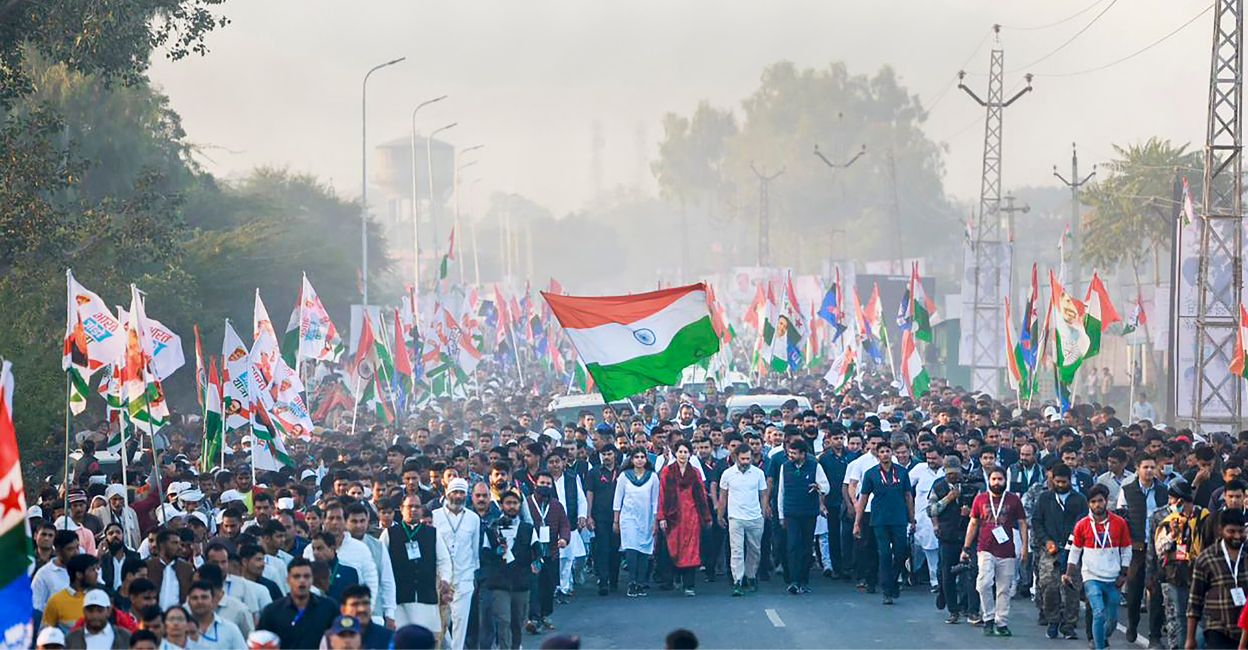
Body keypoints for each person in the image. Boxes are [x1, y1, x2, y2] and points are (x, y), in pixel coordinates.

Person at [961, 465, 1028, 637]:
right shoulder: (980, 499)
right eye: (994, 479)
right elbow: (973, 523)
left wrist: (1025, 548)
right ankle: (988, 617)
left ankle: (1001, 622)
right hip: (985, 548)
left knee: (1004, 589)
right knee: (983, 584)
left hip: (1007, 550)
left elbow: (1022, 524)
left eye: (1000, 479)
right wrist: (966, 548)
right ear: (988, 481)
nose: (997, 482)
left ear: (1005, 481)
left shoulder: (1013, 500)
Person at [1065, 484, 1133, 650]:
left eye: (1100, 501)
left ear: (1106, 501)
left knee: (1112, 620)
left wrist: (1123, 574)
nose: (1097, 505)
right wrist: (1068, 573)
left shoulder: (1119, 523)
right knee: (1098, 612)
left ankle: (1100, 638)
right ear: (1089, 504)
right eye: (1093, 502)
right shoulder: (1082, 524)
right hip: (1091, 577)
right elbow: (1075, 551)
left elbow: (1126, 549)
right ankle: (1099, 646)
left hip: (1113, 578)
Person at [377, 497, 451, 633]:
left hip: (426, 596)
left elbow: (444, 560)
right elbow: (380, 564)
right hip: (400, 598)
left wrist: (445, 579)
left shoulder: (433, 533)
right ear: (401, 509)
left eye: (417, 507)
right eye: (410, 506)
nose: (413, 510)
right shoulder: (389, 534)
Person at [1117, 452, 1168, 644]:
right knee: (1134, 590)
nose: (1149, 471)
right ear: (1137, 469)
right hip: (1136, 548)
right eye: (1145, 467)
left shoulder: (1163, 490)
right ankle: (1132, 624)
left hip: (1157, 547)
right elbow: (1122, 517)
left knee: (1155, 591)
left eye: (1152, 467)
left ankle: (1155, 636)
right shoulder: (1127, 489)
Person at [854, 439, 912, 604]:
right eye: (882, 452)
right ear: (877, 455)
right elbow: (863, 498)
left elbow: (908, 496)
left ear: (891, 453)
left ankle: (893, 580)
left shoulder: (901, 472)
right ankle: (887, 590)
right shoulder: (871, 473)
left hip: (899, 518)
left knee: (901, 551)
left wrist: (911, 517)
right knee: (885, 553)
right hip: (879, 519)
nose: (885, 454)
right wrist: (857, 523)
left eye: (888, 451)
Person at [1033, 462, 1087, 640]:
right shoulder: (1044, 498)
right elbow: (1037, 522)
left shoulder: (1079, 500)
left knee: (1071, 587)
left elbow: (1083, 523)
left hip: (1073, 550)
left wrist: (1074, 541)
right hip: (1050, 550)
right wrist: (1047, 541)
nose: (1061, 485)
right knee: (1048, 586)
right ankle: (1052, 620)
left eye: (1064, 482)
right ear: (1052, 480)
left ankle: (1069, 624)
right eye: (1058, 481)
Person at [1154, 480, 1206, 650]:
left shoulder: (1204, 518)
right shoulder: (1168, 521)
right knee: (1180, 617)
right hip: (1176, 575)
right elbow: (1160, 550)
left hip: (1200, 575)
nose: (1171, 504)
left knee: (1200, 618)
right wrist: (1173, 535)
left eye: (1172, 500)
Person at [484, 490, 539, 650]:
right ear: (501, 505)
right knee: (504, 620)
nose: (512, 507)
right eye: (508, 503)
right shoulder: (492, 528)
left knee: (517, 622)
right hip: (499, 583)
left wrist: (537, 563)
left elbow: (537, 550)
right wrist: (497, 553)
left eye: (515, 503)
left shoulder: (528, 529)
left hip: (521, 583)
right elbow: (485, 554)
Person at [657, 441, 712, 596]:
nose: (683, 455)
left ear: (690, 454)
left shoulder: (695, 472)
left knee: (691, 550)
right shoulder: (668, 472)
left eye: (685, 452)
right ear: (676, 453)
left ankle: (689, 585)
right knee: (673, 548)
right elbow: (661, 495)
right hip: (673, 516)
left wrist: (706, 517)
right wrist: (661, 517)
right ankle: (673, 579)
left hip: (692, 516)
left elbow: (701, 496)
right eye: (680, 452)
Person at [1187, 508, 1248, 649]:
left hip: (1245, 630)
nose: (1237, 536)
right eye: (1231, 531)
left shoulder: (1246, 556)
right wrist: (1190, 639)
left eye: (1241, 531)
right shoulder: (1206, 559)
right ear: (1221, 531)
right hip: (1217, 628)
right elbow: (1195, 599)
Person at [432, 477, 481, 650]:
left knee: (460, 620)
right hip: (440, 578)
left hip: (464, 576)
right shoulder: (435, 516)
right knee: (440, 620)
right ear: (448, 493)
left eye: (462, 493)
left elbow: (475, 550)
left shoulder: (473, 518)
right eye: (455, 492)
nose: (458, 496)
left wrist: (473, 573)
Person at [776, 439, 828, 596]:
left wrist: (818, 487)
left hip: (808, 513)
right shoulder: (784, 467)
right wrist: (781, 515)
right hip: (791, 513)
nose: (791, 455)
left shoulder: (814, 466)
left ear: (803, 454)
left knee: (806, 547)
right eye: (789, 452)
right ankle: (794, 581)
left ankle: (804, 580)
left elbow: (826, 486)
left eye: (794, 453)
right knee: (792, 546)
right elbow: (781, 492)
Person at [718, 443, 768, 596]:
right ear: (735, 458)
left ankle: (751, 576)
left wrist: (763, 512)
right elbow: (723, 496)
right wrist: (720, 514)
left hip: (755, 517)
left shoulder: (758, 473)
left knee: (755, 550)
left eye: (748, 458)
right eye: (743, 458)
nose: (746, 461)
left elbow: (764, 494)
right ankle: (737, 581)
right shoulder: (727, 474)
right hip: (735, 518)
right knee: (737, 551)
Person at [256, 558, 339, 649]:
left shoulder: (328, 608)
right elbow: (260, 643)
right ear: (288, 580)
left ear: (312, 579)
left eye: (306, 576)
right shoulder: (272, 611)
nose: (302, 580)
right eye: (296, 576)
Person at [928, 453, 972, 624]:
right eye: (950, 474)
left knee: (969, 573)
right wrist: (948, 499)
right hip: (947, 536)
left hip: (967, 534)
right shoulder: (938, 487)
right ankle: (952, 609)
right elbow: (931, 510)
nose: (953, 476)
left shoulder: (969, 485)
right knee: (947, 573)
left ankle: (967, 606)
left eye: (956, 473)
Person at [524, 471, 570, 632]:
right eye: (542, 483)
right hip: (533, 554)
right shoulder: (527, 503)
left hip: (551, 552)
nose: (545, 486)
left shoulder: (557, 505)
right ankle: (534, 618)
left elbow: (565, 524)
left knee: (549, 586)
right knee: (534, 585)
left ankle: (544, 615)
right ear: (535, 484)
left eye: (548, 484)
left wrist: (564, 539)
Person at [614, 447, 660, 598]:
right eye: (637, 457)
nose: (640, 459)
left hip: (646, 518)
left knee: (644, 551)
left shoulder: (652, 477)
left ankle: (641, 583)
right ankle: (632, 581)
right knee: (631, 549)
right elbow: (618, 499)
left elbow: (655, 501)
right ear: (631, 459)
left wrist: (655, 521)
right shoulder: (624, 476)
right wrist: (616, 520)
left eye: (642, 457)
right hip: (628, 518)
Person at [584, 445, 621, 596]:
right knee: (602, 549)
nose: (606, 457)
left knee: (616, 550)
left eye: (609, 454)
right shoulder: (594, 472)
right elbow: (590, 493)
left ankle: (614, 580)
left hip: (618, 517)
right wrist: (588, 515)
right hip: (600, 517)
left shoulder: (622, 472)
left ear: (615, 455)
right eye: (604, 454)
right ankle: (603, 581)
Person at [185, 579, 247, 650]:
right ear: (188, 602)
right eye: (195, 598)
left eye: (204, 597)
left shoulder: (230, 629)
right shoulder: (179, 629)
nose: (200, 602)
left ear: (213, 600)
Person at [32, 530, 78, 624]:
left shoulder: (84, 569)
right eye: (70, 549)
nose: (76, 552)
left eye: (77, 547)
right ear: (58, 550)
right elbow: (36, 608)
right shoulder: (43, 575)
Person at [42, 553, 98, 631]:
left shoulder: (99, 598)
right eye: (92, 570)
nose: (96, 573)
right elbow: (45, 635)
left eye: (96, 569)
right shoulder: (56, 601)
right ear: (79, 575)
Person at [337, 584, 394, 650]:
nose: (362, 609)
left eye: (365, 603)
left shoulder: (387, 637)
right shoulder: (332, 638)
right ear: (343, 609)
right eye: (355, 604)